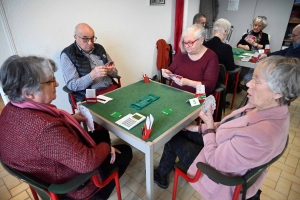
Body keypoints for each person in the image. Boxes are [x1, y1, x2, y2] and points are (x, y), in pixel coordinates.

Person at [154, 56, 300, 200]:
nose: (248, 83)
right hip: (221, 145)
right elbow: (228, 127)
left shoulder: (263, 135)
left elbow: (214, 161)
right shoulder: (263, 106)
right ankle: (165, 169)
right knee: (181, 131)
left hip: (214, 172)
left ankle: (160, 175)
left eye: (256, 81)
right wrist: (197, 128)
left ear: (278, 92)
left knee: (173, 139)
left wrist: (209, 126)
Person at [0, 55, 132, 200]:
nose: (56, 84)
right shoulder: (45, 129)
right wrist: (106, 146)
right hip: (71, 186)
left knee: (100, 137)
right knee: (125, 151)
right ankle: (98, 194)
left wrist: (69, 120)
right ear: (28, 93)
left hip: (46, 168)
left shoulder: (9, 109)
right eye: (51, 80)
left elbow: (46, 139)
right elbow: (86, 163)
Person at [61, 23, 119, 107]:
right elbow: (72, 85)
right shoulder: (67, 54)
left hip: (111, 89)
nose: (90, 43)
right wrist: (92, 76)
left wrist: (111, 71)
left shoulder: (99, 48)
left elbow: (115, 73)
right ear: (75, 37)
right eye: (85, 39)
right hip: (90, 96)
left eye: (92, 38)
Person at [161, 24, 219, 96]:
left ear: (201, 40)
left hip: (196, 97)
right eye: (184, 42)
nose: (186, 46)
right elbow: (171, 70)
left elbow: (210, 86)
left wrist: (188, 82)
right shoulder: (182, 53)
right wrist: (167, 73)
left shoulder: (211, 57)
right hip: (176, 93)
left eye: (190, 42)